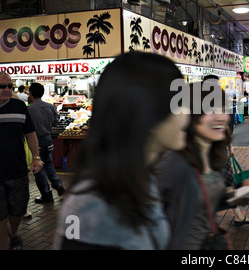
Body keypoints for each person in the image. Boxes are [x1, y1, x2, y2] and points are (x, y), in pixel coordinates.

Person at [54, 52, 190, 249]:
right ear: (149, 112)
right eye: (180, 103)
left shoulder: (137, 177)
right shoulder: (95, 207)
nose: (188, 113)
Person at [156, 80, 247, 249]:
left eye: (222, 109)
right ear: (191, 115)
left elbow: (201, 202)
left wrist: (241, 193)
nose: (220, 117)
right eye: (211, 110)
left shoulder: (213, 155)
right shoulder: (175, 162)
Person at [0, 72, 43, 250]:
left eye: (10, 86)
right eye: (2, 86)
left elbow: (30, 133)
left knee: (18, 210)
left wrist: (37, 157)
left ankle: (14, 232)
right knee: (0, 215)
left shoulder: (19, 106)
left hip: (17, 169)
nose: (7, 89)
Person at [28, 83, 65, 204]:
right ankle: (58, 183)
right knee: (49, 163)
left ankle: (46, 195)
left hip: (35, 141)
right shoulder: (51, 107)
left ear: (31, 94)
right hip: (48, 139)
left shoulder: (29, 109)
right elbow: (55, 123)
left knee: (38, 168)